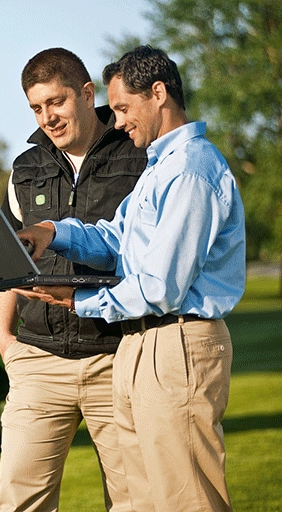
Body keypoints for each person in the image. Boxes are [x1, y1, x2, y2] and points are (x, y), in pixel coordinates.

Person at [16, 45, 245, 512]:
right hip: (140, 344)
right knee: (142, 500)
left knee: (187, 500)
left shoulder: (191, 170)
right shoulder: (160, 167)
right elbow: (118, 239)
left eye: (122, 107)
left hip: (177, 343)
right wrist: (52, 232)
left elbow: (162, 286)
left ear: (158, 93)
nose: (117, 121)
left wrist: (82, 301)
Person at [0, 48, 146, 512]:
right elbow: (7, 264)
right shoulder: (25, 169)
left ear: (86, 93)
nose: (48, 118)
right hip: (37, 361)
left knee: (137, 501)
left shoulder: (137, 155)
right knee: (19, 503)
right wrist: (6, 341)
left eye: (55, 102)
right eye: (37, 109)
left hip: (117, 356)